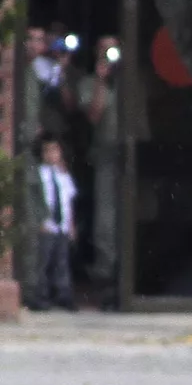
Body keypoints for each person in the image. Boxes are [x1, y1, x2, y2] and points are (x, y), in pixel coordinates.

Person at [77, 36, 122, 307]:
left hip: (132, 155)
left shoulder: (131, 81)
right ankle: (106, 275)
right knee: (106, 218)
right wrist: (101, 81)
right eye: (105, 49)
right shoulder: (89, 83)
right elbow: (93, 115)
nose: (110, 55)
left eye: (114, 49)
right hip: (105, 155)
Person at [27, 135, 79, 312]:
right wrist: (38, 220)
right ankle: (40, 295)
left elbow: (67, 200)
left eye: (55, 150)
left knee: (61, 261)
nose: (51, 155)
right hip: (47, 224)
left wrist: (71, 225)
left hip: (62, 225)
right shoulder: (38, 174)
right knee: (43, 261)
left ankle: (63, 294)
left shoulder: (63, 174)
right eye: (47, 151)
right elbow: (34, 200)